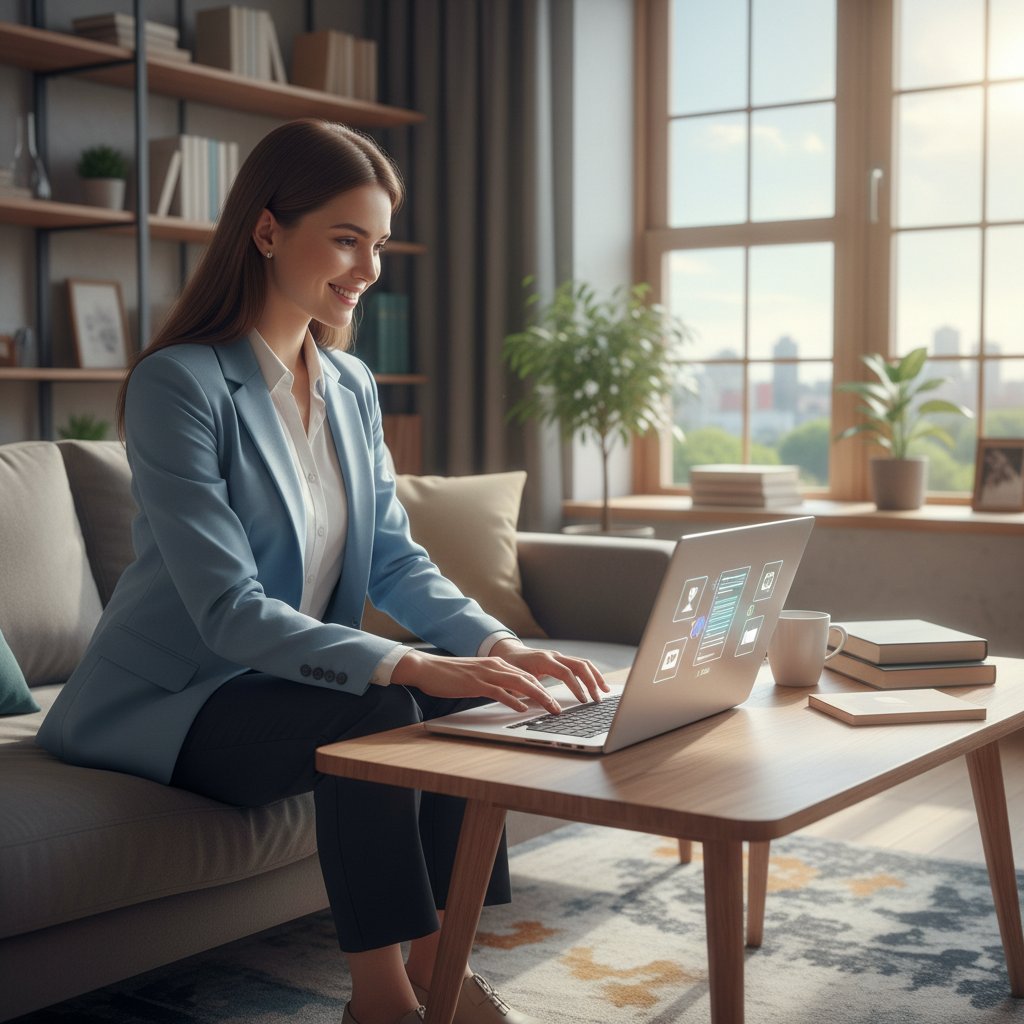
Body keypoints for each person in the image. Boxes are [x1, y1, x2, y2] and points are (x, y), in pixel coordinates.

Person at [37, 119, 608, 1024]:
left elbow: (394, 558)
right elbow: (229, 610)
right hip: (176, 698)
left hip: (284, 684)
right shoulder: (179, 384)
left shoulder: (351, 385)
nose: (368, 268)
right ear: (267, 229)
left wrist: (498, 648)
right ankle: (379, 1001)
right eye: (346, 239)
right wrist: (410, 663)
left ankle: (443, 973)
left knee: (478, 700)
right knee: (381, 706)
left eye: (378, 244)